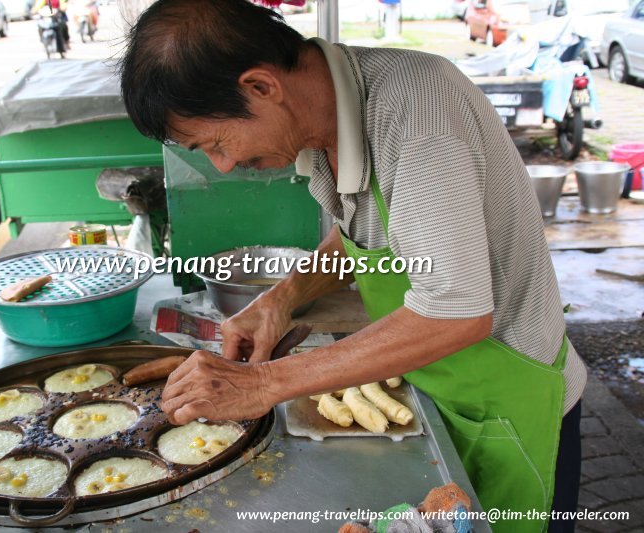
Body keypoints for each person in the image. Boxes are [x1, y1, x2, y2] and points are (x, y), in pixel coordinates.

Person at [119, 1, 586, 532]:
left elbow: (456, 312)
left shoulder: (417, 120)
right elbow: (370, 234)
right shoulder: (325, 125)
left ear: (260, 87)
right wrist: (279, 299)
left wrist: (264, 384)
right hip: (437, 390)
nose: (224, 165)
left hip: (509, 409)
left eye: (216, 144)